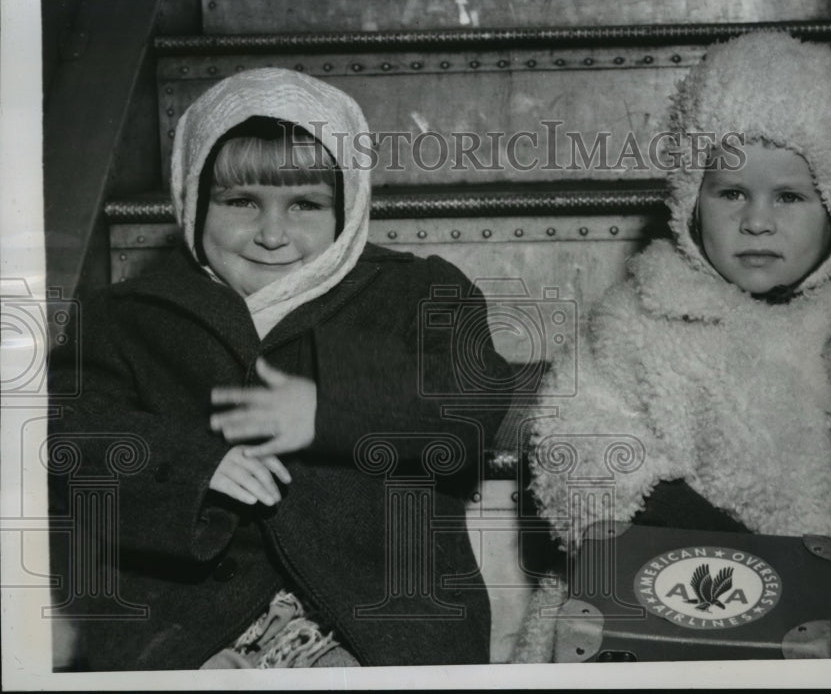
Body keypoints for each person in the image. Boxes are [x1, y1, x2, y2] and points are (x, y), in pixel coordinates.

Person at [515, 32, 831, 660]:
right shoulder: (639, 320)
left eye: (789, 196)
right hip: (661, 595)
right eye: (731, 193)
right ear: (690, 199)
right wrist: (702, 532)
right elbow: (578, 448)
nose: (757, 221)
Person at [47, 68, 511, 670]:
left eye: (305, 205)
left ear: (347, 204)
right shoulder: (128, 315)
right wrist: (189, 463)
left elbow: (470, 402)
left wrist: (329, 409)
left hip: (374, 619)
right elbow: (64, 433)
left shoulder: (412, 293)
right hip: (188, 621)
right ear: (191, 200)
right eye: (240, 202)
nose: (271, 234)